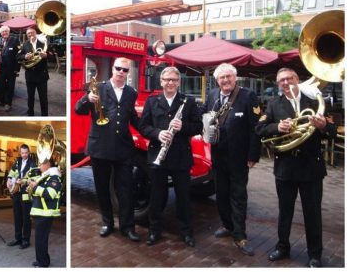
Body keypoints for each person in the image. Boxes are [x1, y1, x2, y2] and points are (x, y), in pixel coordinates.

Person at [255, 68, 336, 267]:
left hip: (311, 167)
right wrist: (277, 128)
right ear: (277, 83)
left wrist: (323, 125)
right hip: (285, 167)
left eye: (289, 78)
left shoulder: (316, 102)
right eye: (281, 80)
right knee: (285, 211)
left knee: (313, 212)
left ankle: (315, 254)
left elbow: (333, 132)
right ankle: (282, 247)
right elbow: (260, 130)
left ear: (297, 80)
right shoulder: (274, 104)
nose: (285, 82)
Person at [74, 57, 140, 242]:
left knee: (125, 190)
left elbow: (132, 117)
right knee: (102, 189)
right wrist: (87, 99)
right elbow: (77, 109)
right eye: (118, 68)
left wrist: (153, 132)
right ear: (113, 69)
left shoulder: (130, 93)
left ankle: (127, 227)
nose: (121, 72)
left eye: (125, 70)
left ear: (128, 72)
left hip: (123, 148)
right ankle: (107, 223)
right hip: (100, 147)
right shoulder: (99, 88)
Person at [199, 63, 260, 255]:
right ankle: (227, 225)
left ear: (235, 77)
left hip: (239, 157)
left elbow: (255, 128)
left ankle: (240, 235)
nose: (225, 80)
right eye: (221, 77)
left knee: (238, 195)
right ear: (217, 80)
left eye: (228, 76)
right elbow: (205, 115)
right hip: (218, 154)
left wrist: (253, 155)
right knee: (222, 193)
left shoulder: (248, 96)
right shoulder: (212, 95)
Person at [139, 67, 202, 247]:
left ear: (178, 82)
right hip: (157, 154)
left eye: (174, 80)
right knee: (157, 196)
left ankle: (187, 233)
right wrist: (158, 133)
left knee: (183, 196)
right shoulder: (152, 101)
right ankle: (154, 231)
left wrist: (183, 126)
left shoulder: (188, 102)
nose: (170, 83)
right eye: (167, 79)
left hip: (180, 156)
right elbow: (143, 127)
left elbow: (198, 127)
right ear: (161, 81)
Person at [28, 158, 62, 267]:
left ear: (47, 164)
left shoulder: (54, 178)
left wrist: (35, 187)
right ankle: (40, 260)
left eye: (41, 164)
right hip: (41, 213)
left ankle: (43, 262)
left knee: (41, 240)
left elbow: (49, 194)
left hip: (46, 213)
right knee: (39, 239)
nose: (39, 166)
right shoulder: (46, 177)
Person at [6, 144, 37, 249]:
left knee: (26, 218)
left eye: (26, 153)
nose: (24, 155)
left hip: (26, 194)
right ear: (20, 152)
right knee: (17, 216)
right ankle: (17, 238)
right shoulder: (17, 161)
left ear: (29, 152)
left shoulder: (32, 163)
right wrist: (9, 179)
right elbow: (12, 172)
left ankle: (26, 240)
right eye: (22, 153)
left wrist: (23, 181)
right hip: (16, 193)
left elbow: (34, 179)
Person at [17, 27, 50, 116]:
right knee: (30, 97)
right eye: (29, 33)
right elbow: (18, 57)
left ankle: (44, 116)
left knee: (43, 98)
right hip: (30, 75)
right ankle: (30, 113)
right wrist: (24, 57)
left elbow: (51, 56)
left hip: (42, 75)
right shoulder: (25, 44)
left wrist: (46, 56)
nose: (30, 34)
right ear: (27, 35)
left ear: (36, 33)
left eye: (32, 32)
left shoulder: (43, 43)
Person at [0, 25, 20, 112]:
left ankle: (8, 103)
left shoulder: (15, 40)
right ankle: (1, 101)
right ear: (0, 33)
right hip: (1, 67)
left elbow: (19, 55)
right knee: (1, 85)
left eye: (6, 31)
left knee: (10, 86)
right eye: (3, 32)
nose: (4, 33)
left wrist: (17, 69)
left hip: (11, 68)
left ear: (9, 32)